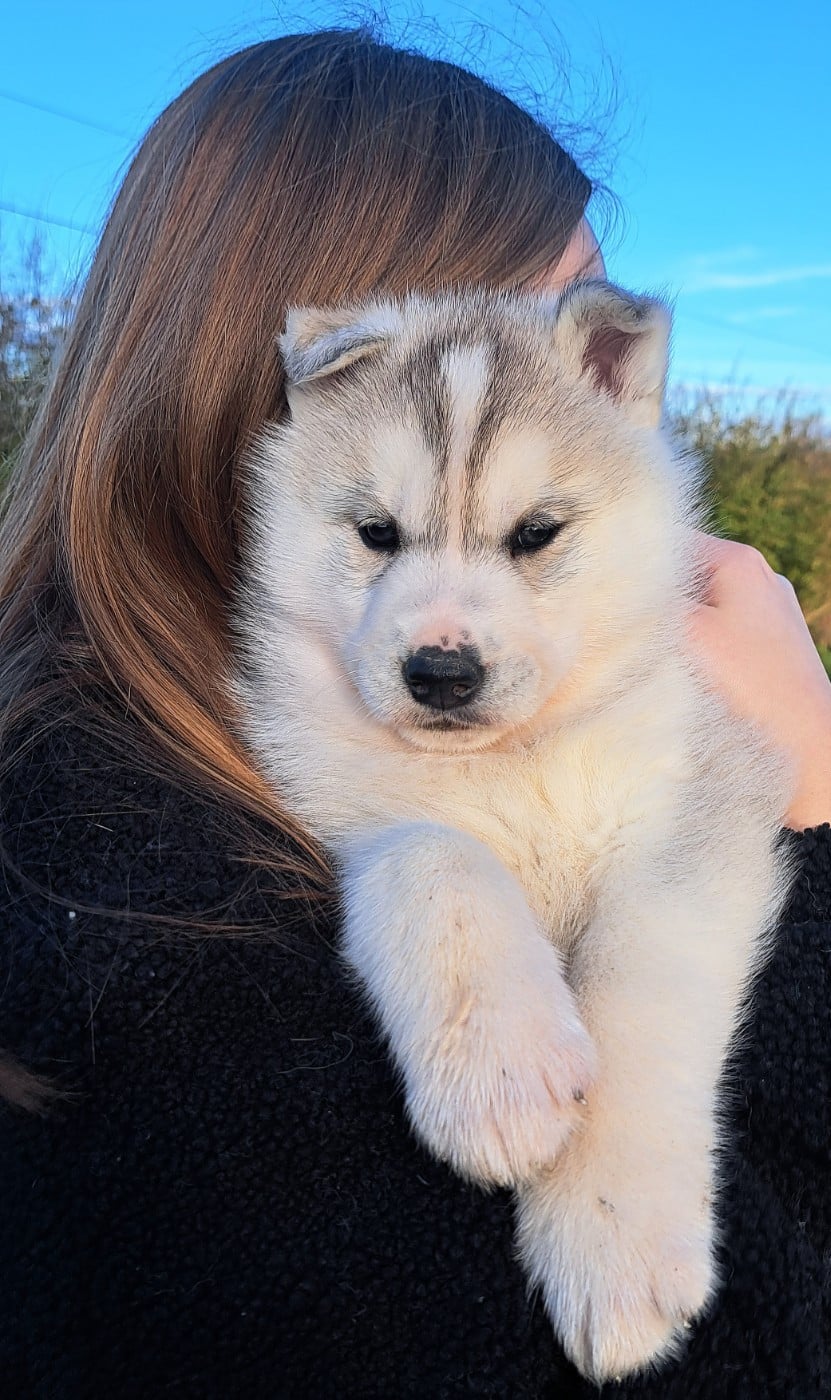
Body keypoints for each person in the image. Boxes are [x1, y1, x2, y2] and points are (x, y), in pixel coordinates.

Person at [0, 29, 828, 1400]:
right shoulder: (126, 901)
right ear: (273, 394)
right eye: (382, 529)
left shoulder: (144, 744)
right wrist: (819, 794)